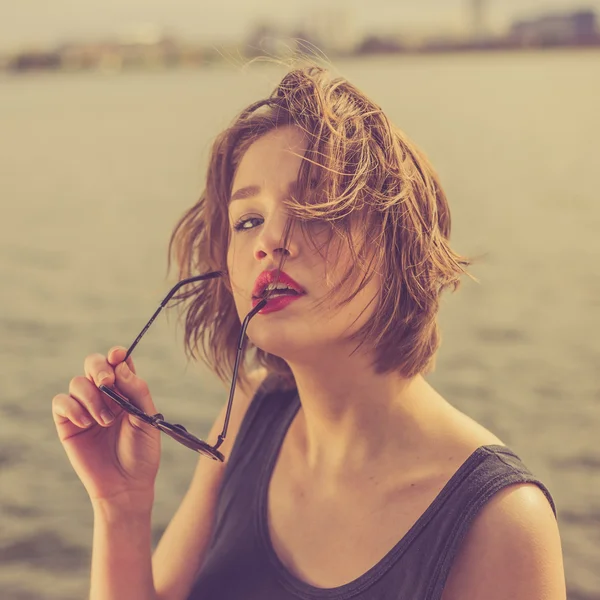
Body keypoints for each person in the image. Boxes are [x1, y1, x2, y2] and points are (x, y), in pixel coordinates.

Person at [52, 65, 566, 600]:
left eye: (317, 210)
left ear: (400, 248)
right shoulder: (252, 412)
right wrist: (121, 508)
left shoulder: (500, 520)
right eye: (247, 220)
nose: (270, 240)